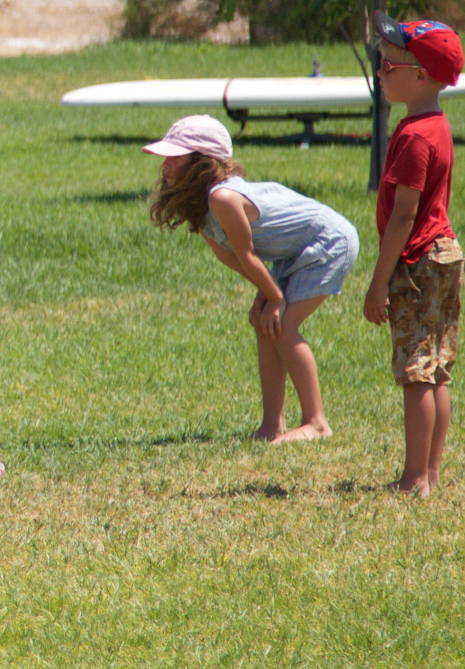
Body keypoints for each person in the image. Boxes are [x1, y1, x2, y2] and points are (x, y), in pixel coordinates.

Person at [142, 114, 359, 443]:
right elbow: (230, 257)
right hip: (293, 252)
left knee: (283, 325)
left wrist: (274, 298)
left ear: (202, 163)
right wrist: (266, 295)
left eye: (176, 157)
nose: (166, 165)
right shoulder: (201, 206)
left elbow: (246, 254)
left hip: (328, 240)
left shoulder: (223, 198)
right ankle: (272, 424)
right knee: (263, 322)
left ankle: (316, 422)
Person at [363, 15, 465, 496]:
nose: (380, 71)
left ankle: (413, 480)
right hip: (445, 252)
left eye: (389, 64)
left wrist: (379, 281)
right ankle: (431, 473)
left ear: (420, 75)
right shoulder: (436, 126)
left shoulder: (412, 138)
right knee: (436, 368)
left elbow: (404, 218)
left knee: (416, 374)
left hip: (419, 261)